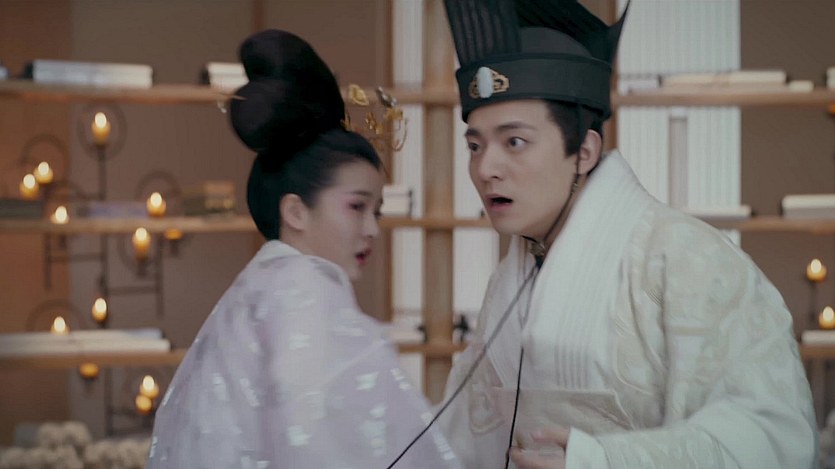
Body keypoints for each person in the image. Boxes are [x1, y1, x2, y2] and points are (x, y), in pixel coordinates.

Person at [435, 0, 817, 467]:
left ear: (585, 151)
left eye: (515, 142)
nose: (485, 168)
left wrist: (601, 459)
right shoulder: (508, 281)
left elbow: (774, 437)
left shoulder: (689, 261)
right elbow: (460, 437)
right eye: (475, 146)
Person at [147, 29, 459, 468]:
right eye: (356, 207)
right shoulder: (304, 291)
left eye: (377, 211)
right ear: (295, 211)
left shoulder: (263, 282)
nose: (372, 229)